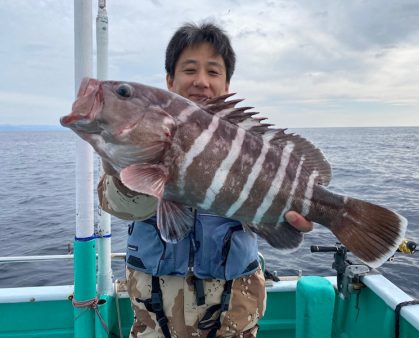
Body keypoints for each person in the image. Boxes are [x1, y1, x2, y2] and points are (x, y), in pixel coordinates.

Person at [98, 22, 312, 338]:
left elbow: (272, 222)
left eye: (213, 72)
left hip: (232, 311)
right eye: (189, 70)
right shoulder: (138, 140)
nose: (201, 81)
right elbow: (119, 206)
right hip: (155, 316)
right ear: (170, 80)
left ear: (226, 85)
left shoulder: (250, 147)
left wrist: (288, 218)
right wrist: (131, 163)